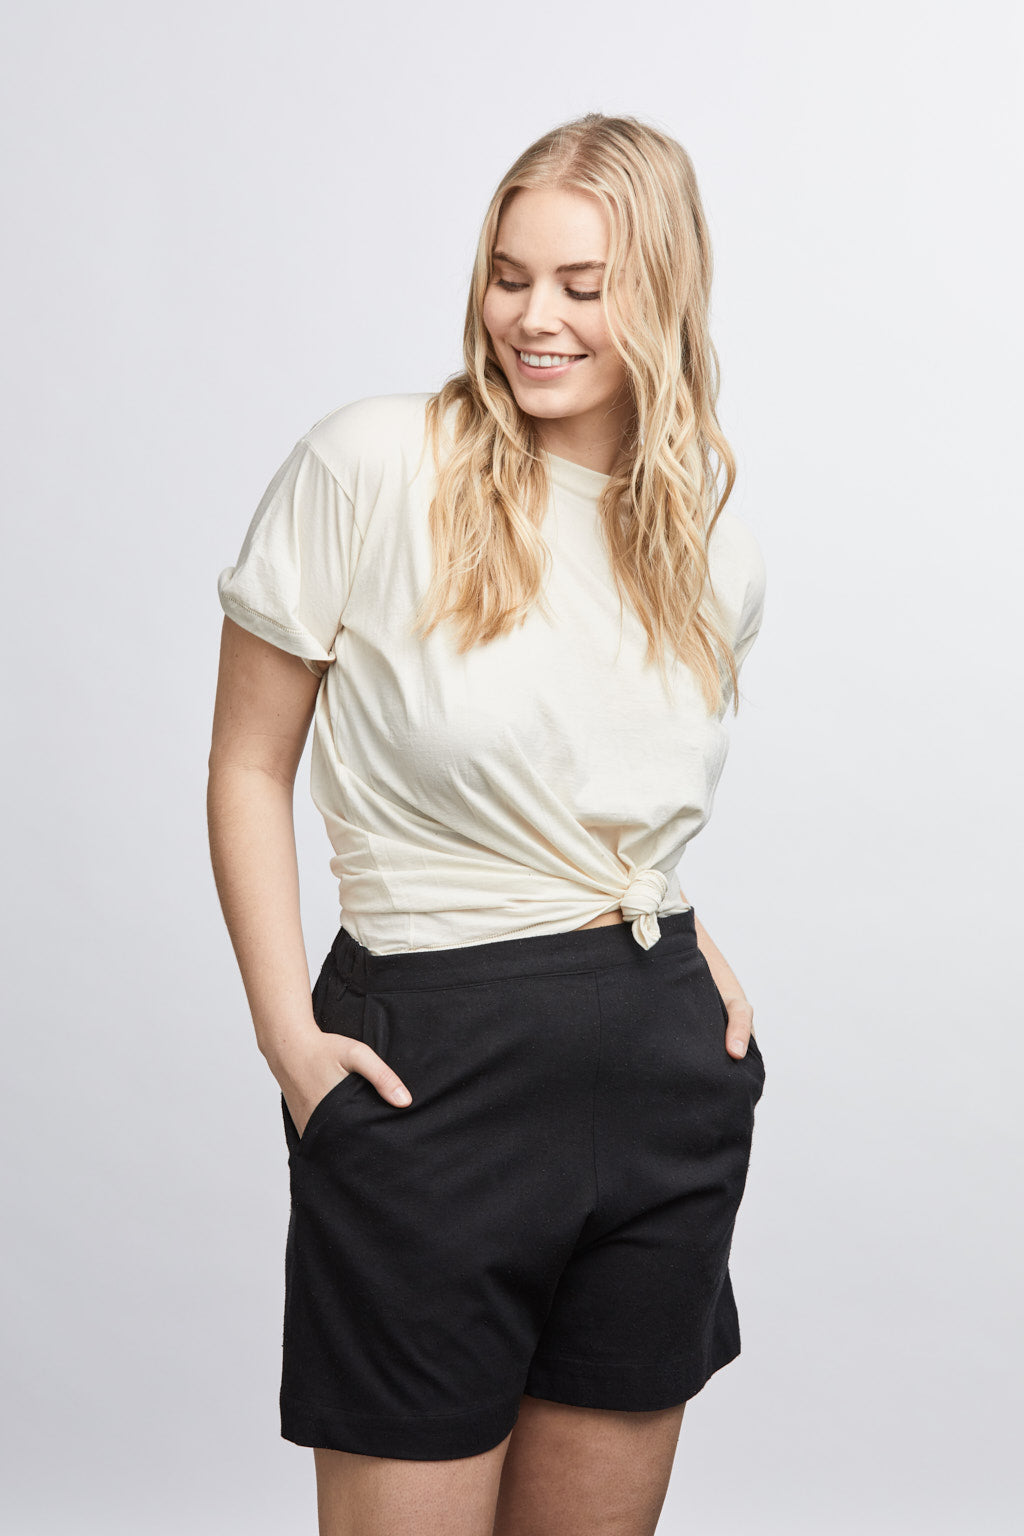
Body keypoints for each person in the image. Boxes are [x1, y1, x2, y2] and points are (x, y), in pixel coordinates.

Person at [207, 111, 768, 1536]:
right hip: (431, 1075)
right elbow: (247, 765)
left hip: (657, 1077)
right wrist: (290, 1043)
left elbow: (608, 796)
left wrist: (682, 946)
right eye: (511, 277)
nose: (533, 318)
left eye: (584, 285)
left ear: (665, 292)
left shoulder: (707, 534)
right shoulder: (374, 463)